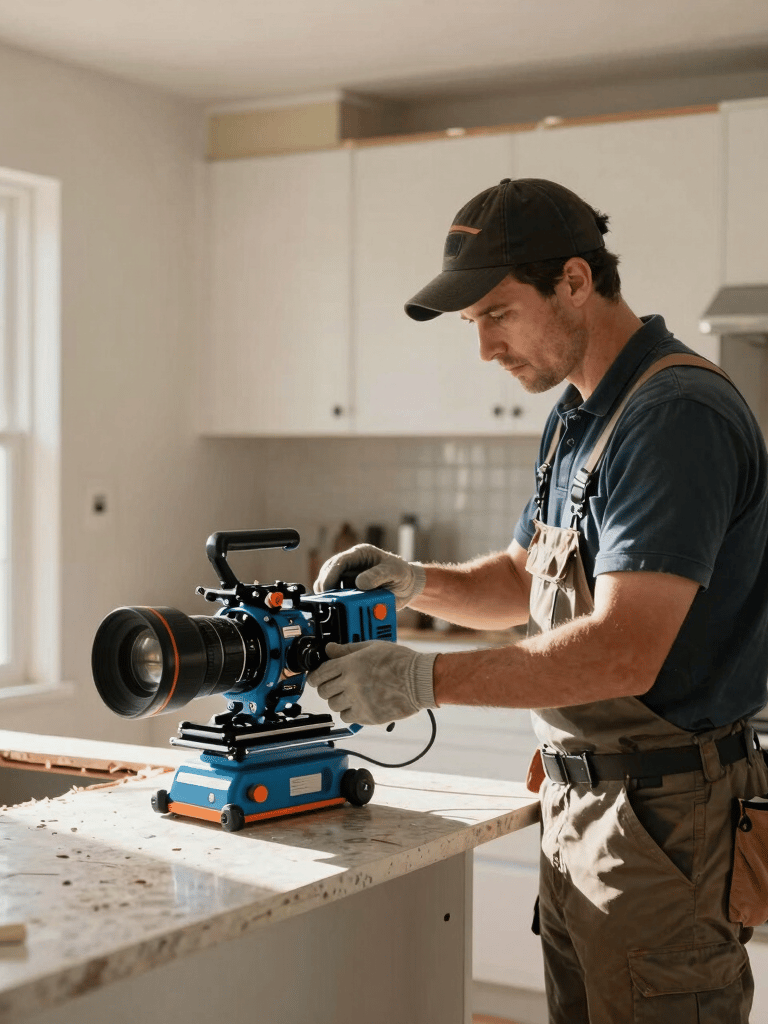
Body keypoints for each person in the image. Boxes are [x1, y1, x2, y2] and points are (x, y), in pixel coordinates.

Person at [306, 177, 768, 1022]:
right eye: (470, 323)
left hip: (664, 825)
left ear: (576, 281)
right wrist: (412, 579)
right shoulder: (580, 415)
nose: (484, 347)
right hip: (582, 810)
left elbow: (624, 649)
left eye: (496, 313)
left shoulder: (674, 415)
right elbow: (522, 583)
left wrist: (423, 682)